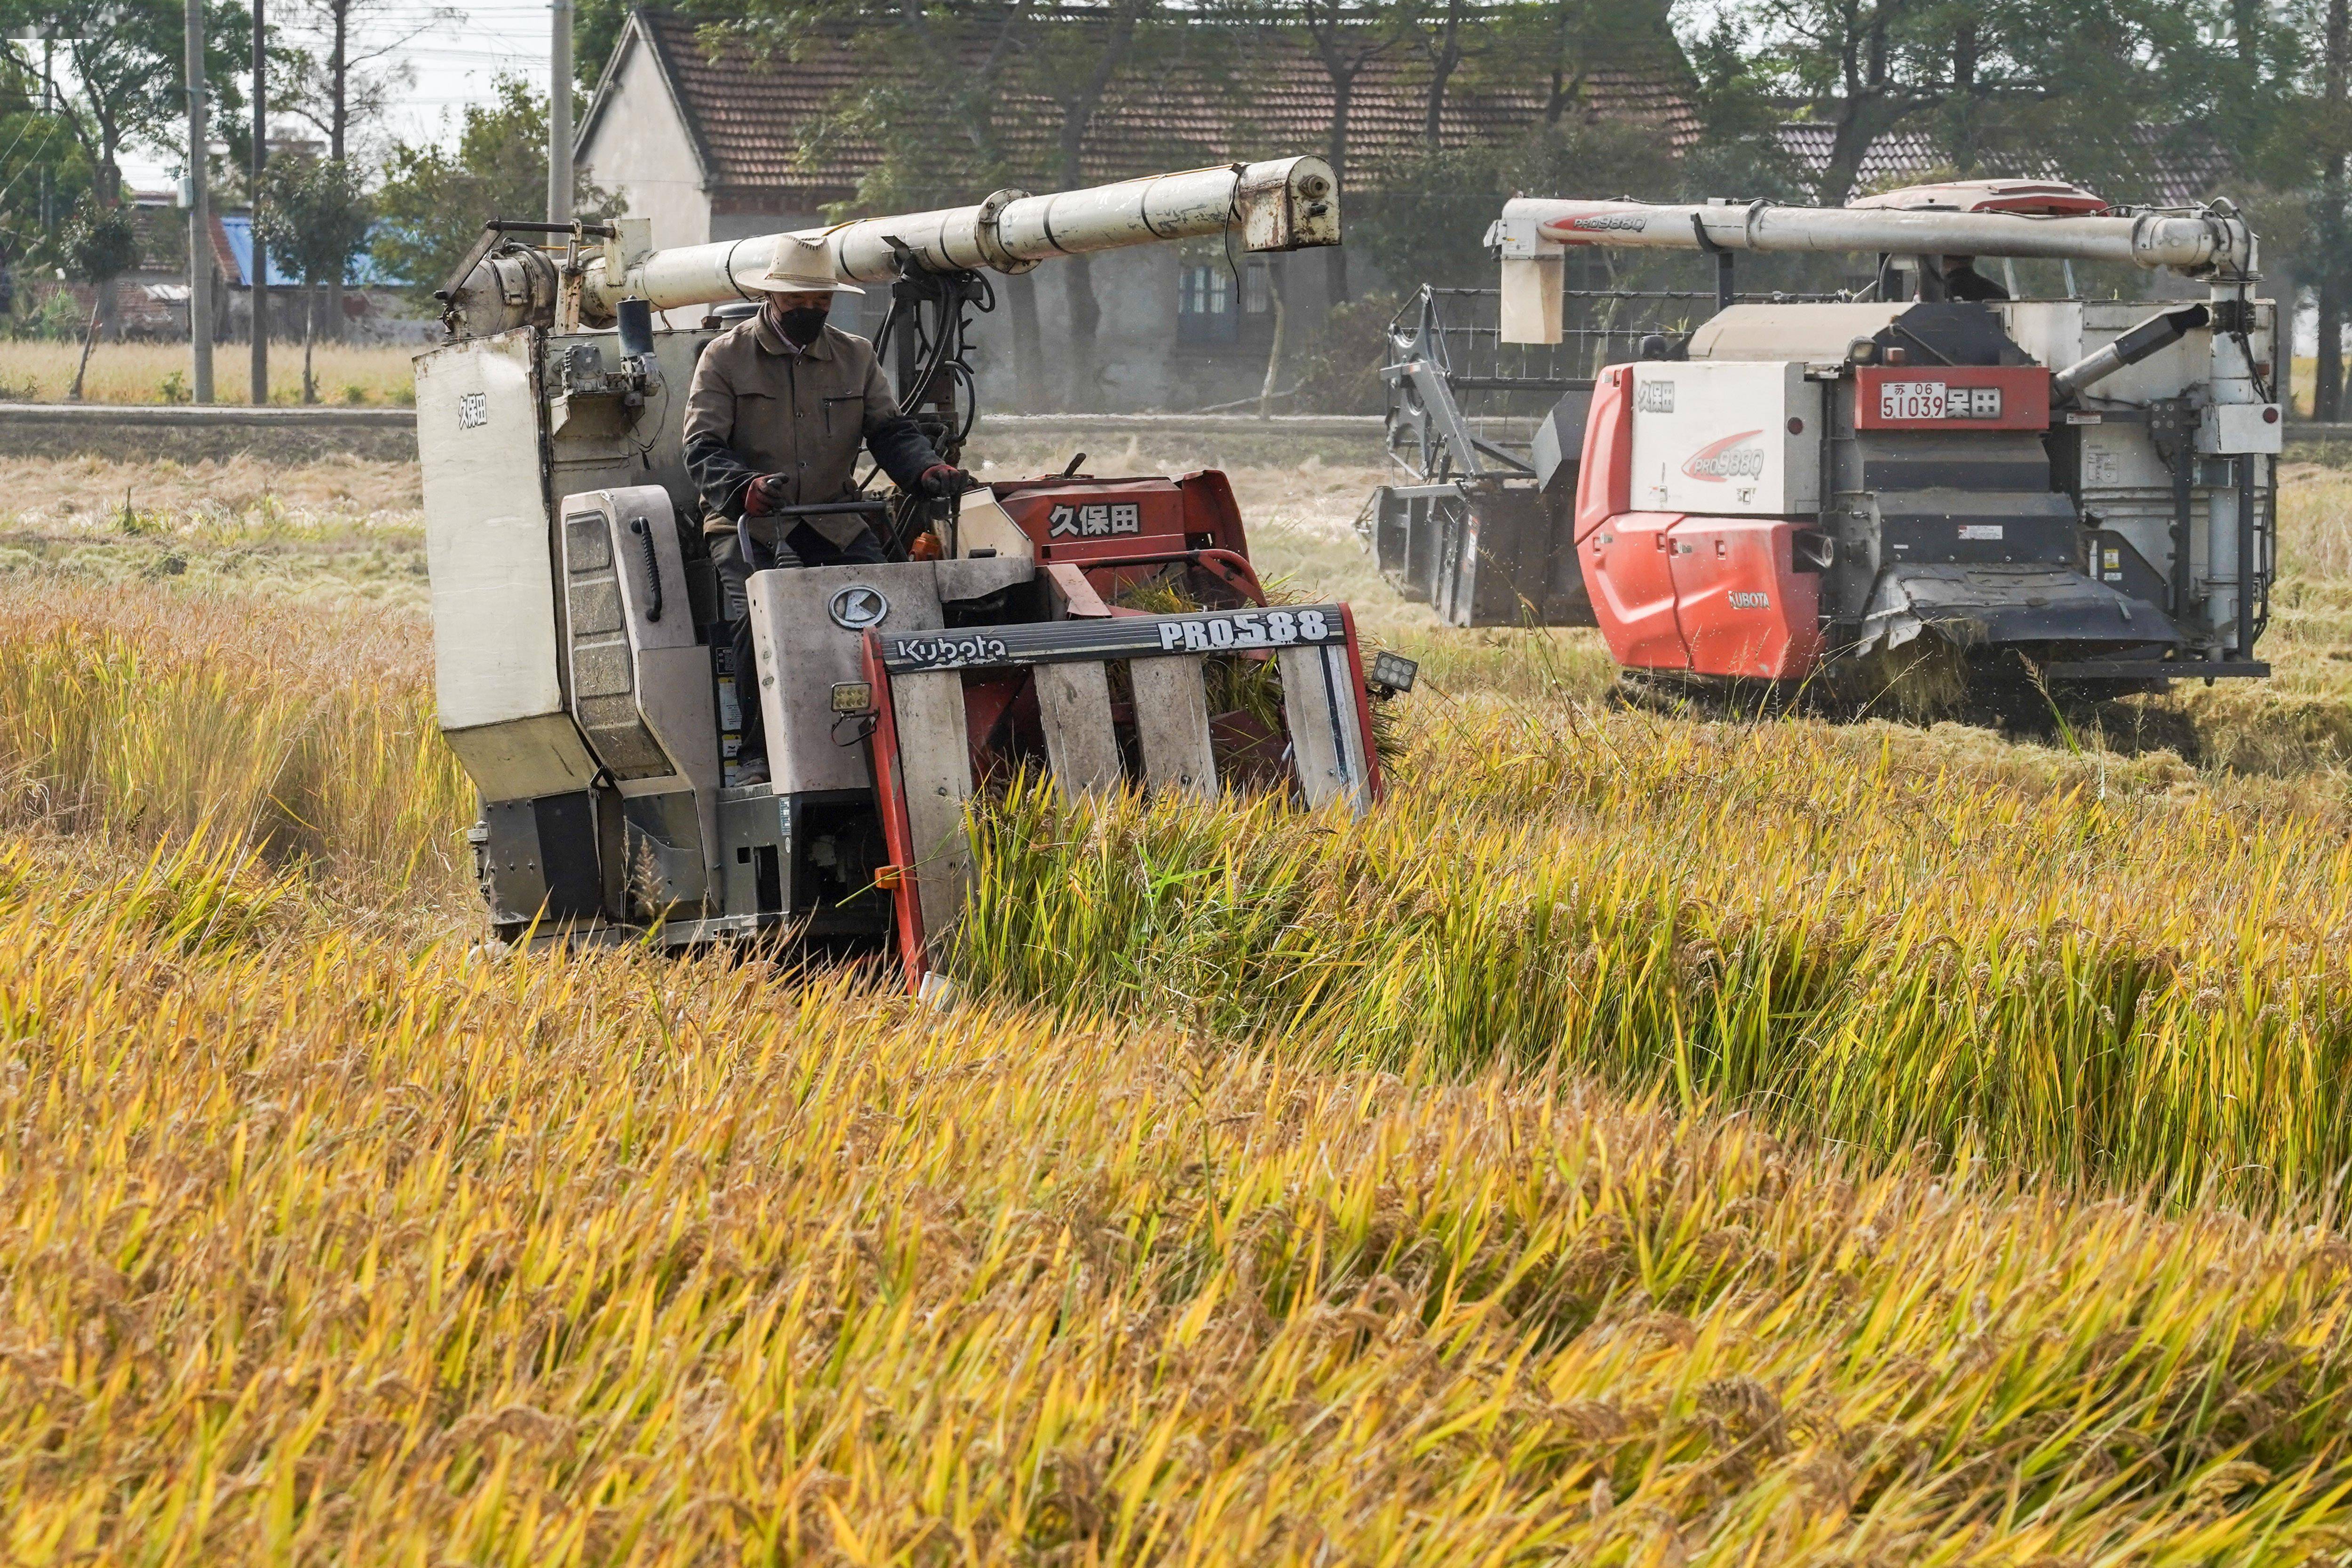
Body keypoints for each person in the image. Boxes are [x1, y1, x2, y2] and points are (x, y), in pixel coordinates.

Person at [683, 234, 970, 785]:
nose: (809, 313)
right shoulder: (724, 358)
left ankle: (906, 735)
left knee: (886, 605)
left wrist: (925, 470)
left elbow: (890, 433)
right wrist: (744, 487)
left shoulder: (855, 355)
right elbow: (701, 448)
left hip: (830, 516)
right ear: (773, 298)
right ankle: (755, 754)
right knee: (759, 616)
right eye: (798, 303)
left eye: (820, 303)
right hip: (748, 520)